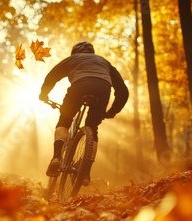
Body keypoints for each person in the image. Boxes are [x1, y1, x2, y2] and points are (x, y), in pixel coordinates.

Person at [39, 41, 129, 185]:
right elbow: (123, 91)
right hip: (103, 89)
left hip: (79, 86)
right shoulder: (104, 62)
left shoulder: (72, 59)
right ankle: (85, 171)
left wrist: (44, 94)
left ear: (75, 52)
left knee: (64, 120)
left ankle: (56, 157)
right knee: (93, 128)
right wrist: (112, 111)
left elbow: (53, 76)